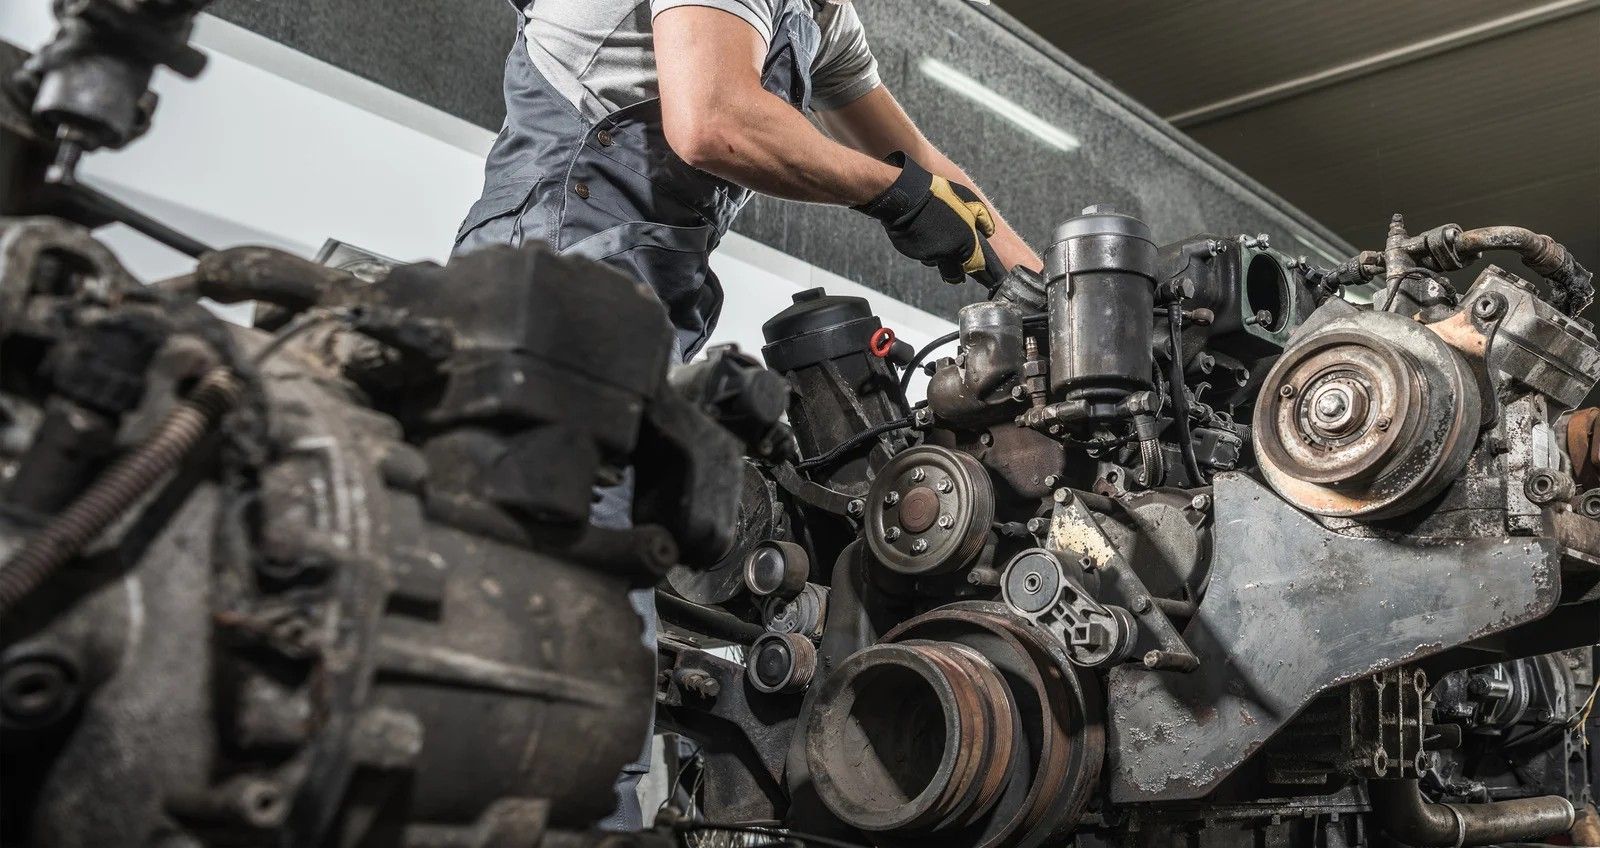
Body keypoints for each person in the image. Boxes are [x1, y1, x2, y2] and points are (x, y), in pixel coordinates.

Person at [453, 0, 1041, 830]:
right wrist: (896, 197)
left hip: (640, 298)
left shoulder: (823, 18)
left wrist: (1057, 294)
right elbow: (714, 119)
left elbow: (929, 169)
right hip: (553, 282)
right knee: (568, 634)